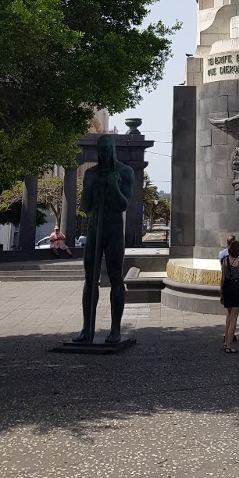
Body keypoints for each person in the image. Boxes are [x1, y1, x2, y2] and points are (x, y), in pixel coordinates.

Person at [72, 134, 134, 345]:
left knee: (116, 277)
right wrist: (90, 186)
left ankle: (115, 330)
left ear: (113, 150)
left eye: (107, 149)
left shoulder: (125, 172)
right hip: (95, 228)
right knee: (90, 278)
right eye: (101, 150)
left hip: (114, 229)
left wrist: (113, 186)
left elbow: (124, 204)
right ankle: (86, 328)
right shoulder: (90, 173)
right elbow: (85, 206)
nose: (104, 154)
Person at [220, 238, 239, 353]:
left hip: (226, 287)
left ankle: (225, 342)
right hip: (236, 288)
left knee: (228, 315)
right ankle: (229, 346)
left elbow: (222, 278)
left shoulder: (224, 261)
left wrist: (221, 292)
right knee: (234, 317)